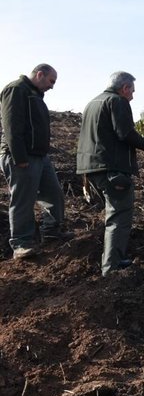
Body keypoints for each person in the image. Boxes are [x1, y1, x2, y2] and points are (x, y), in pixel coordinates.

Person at [76, 71, 144, 276]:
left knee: (113, 214)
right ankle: (111, 267)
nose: (132, 96)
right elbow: (125, 132)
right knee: (119, 215)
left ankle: (114, 260)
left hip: (92, 168)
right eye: (132, 91)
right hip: (112, 169)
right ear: (125, 88)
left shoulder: (93, 103)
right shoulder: (117, 102)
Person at [0, 63, 72, 259]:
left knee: (53, 194)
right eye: (51, 81)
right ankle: (21, 243)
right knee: (23, 199)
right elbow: (11, 125)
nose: (52, 86)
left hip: (40, 156)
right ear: (40, 74)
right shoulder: (16, 89)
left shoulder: (35, 95)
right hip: (22, 156)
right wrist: (19, 157)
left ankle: (51, 231)